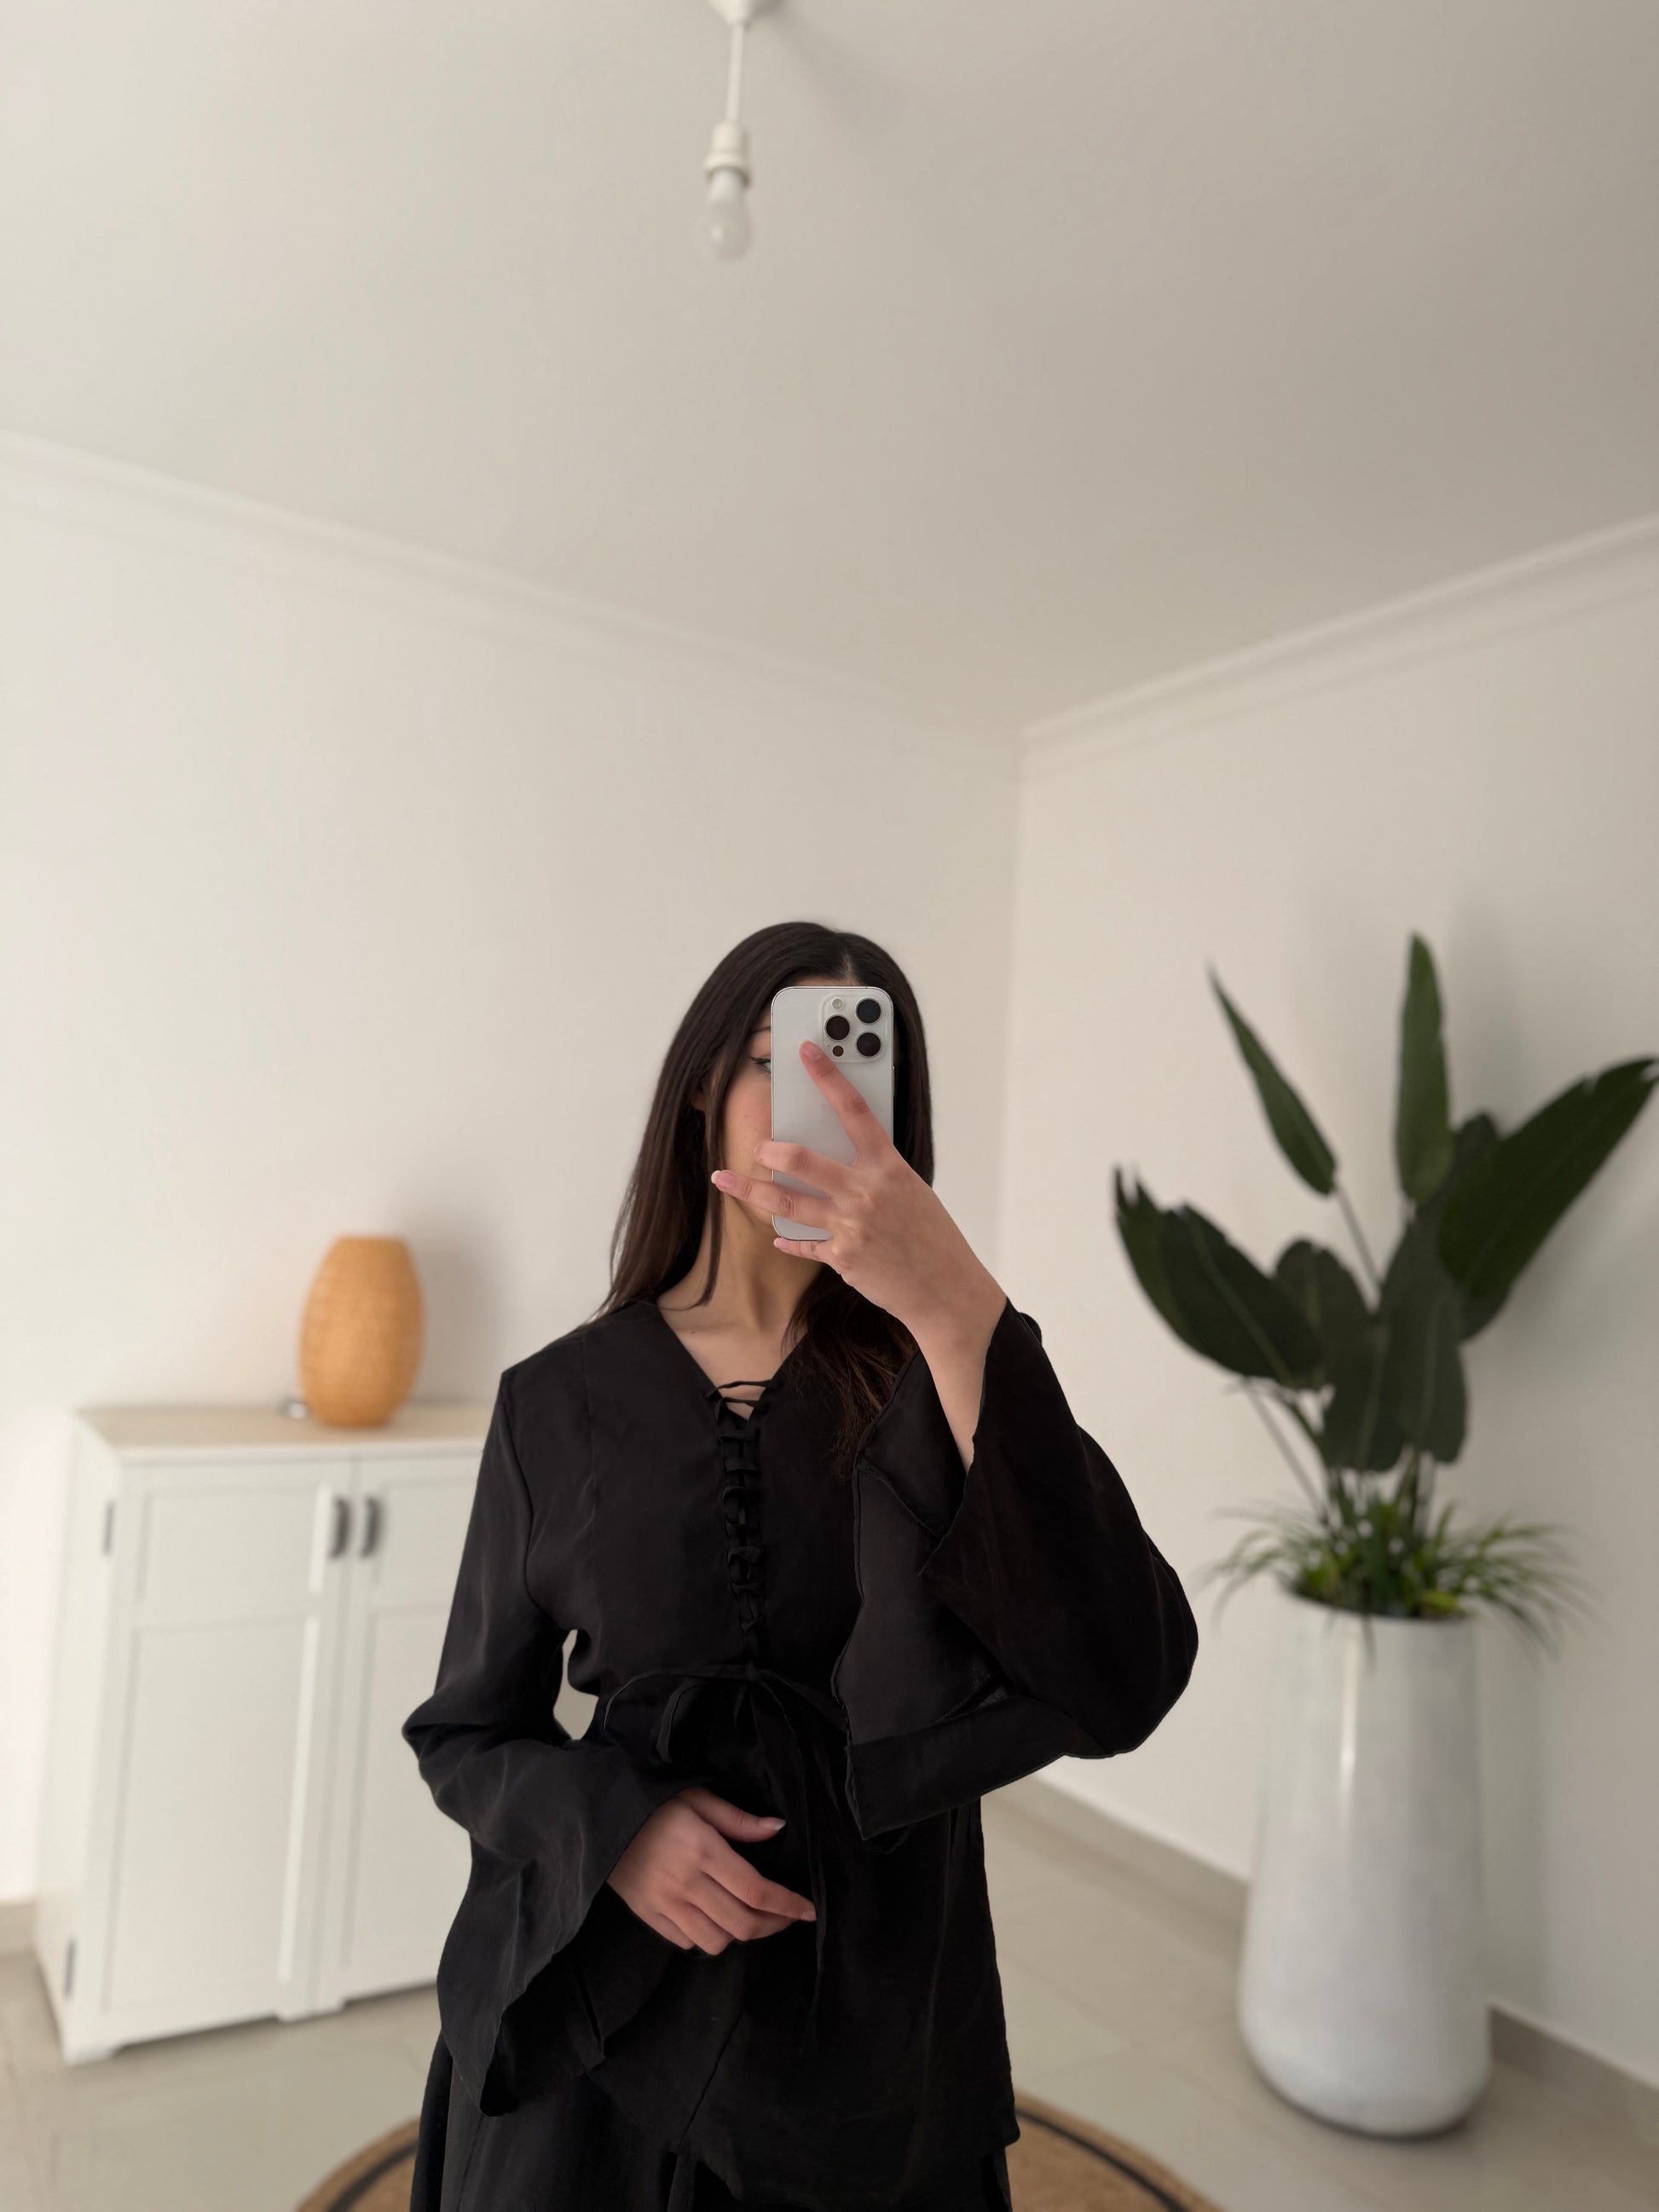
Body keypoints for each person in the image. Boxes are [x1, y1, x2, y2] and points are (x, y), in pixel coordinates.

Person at [402, 921, 1199, 2212]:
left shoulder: (945, 1373)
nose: (822, 1103)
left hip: (877, 2044)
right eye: (787, 1061)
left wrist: (957, 1307)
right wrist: (616, 1832)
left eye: (857, 1072)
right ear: (704, 1087)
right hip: (606, 2031)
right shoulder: (554, 1402)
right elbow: (465, 1734)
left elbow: (1126, 1677)